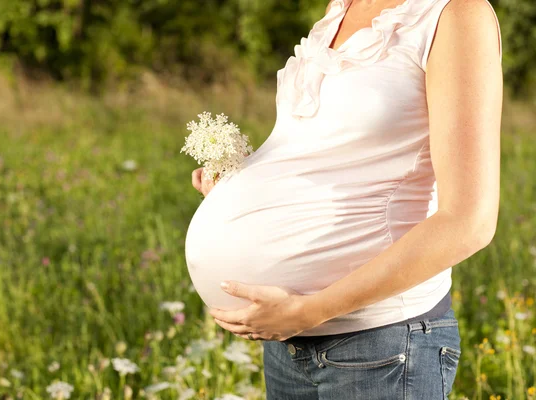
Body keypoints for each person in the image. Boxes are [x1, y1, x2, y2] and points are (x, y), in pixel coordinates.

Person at [191, 0, 502, 398]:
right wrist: (241, 183)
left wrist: (307, 312)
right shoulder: (340, 9)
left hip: (381, 346)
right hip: (290, 345)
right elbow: (328, 151)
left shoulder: (455, 14)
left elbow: (468, 223)